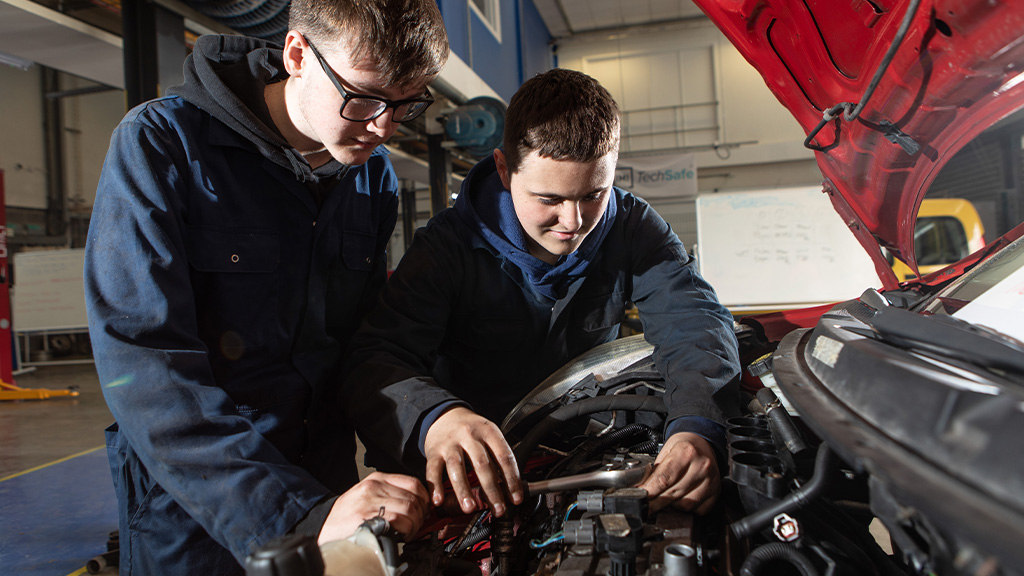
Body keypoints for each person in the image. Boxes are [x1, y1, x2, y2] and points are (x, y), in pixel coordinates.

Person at [83, 1, 448, 573]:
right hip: (197, 512)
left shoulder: (370, 175)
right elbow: (147, 368)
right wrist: (292, 515)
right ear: (298, 54)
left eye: (407, 105)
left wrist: (429, 423)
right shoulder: (163, 146)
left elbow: (363, 347)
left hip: (329, 489)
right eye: (365, 98)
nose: (383, 126)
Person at [344, 68, 741, 521]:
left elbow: (696, 320)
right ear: (503, 168)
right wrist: (435, 419)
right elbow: (376, 358)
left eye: (594, 194)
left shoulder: (633, 226)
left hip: (582, 457)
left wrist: (696, 424)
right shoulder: (445, 248)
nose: (573, 221)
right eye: (549, 199)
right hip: (470, 486)